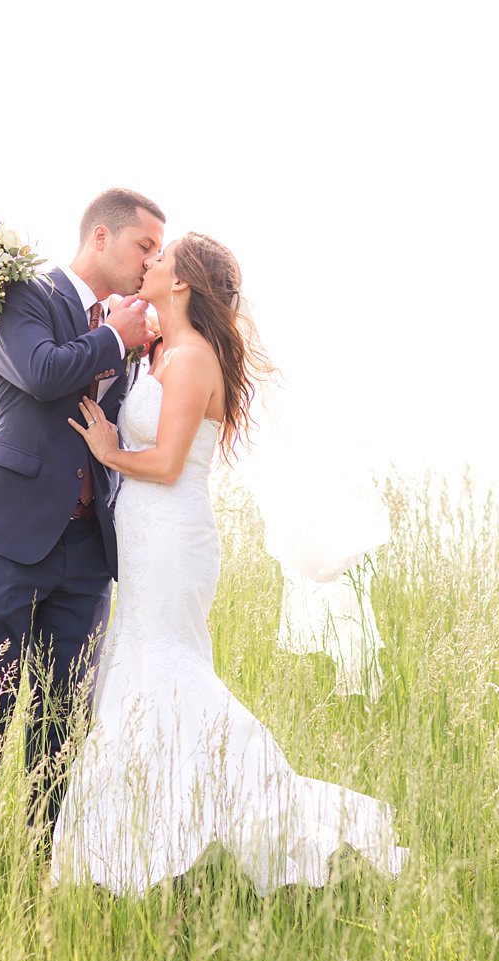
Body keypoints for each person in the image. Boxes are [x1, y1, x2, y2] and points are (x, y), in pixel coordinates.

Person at [55, 233, 409, 895]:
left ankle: (237, 801)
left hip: (172, 535)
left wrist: (107, 450)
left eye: (161, 259)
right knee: (139, 668)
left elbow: (163, 463)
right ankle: (151, 829)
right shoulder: (166, 350)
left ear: (183, 283)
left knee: (167, 666)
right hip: (146, 537)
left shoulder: (191, 359)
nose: (150, 263)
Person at [0, 188, 164, 854]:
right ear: (101, 238)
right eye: (144, 246)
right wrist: (115, 335)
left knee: (66, 714)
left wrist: (135, 337)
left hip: (90, 550)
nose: (151, 262)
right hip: (9, 535)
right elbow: (40, 371)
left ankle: (45, 857)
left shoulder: (133, 324)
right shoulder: (26, 296)